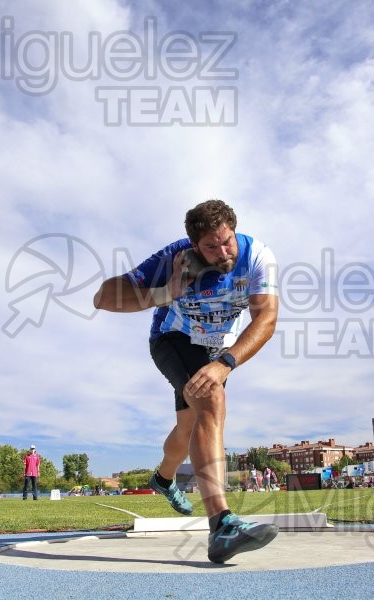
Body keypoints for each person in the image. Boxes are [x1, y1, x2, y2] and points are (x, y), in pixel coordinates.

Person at [93, 199, 280, 563]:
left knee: (189, 426)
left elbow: (266, 319)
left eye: (227, 241)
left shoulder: (258, 257)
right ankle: (222, 525)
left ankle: (163, 479)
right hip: (172, 339)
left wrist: (226, 362)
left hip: (215, 352)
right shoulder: (173, 258)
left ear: (234, 230)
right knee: (211, 402)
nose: (222, 252)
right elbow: (102, 297)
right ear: (194, 245)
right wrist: (165, 293)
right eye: (211, 247)